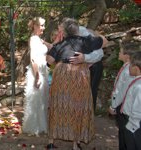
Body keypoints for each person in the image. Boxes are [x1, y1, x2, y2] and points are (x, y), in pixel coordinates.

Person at [46, 18, 108, 150]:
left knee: (58, 104)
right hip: (79, 76)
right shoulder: (86, 41)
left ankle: (51, 142)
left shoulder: (60, 44)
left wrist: (56, 44)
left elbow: (49, 61)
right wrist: (97, 34)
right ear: (77, 29)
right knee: (77, 106)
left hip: (61, 76)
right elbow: (105, 41)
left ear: (65, 32)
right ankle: (75, 144)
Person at [108, 42, 139, 150]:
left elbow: (121, 91)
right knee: (123, 134)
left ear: (127, 56)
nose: (118, 54)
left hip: (124, 107)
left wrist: (113, 105)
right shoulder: (126, 68)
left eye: (120, 52)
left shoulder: (128, 71)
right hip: (124, 105)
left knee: (125, 136)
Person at [22, 17, 49, 136]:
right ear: (35, 26)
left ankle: (41, 125)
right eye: (42, 25)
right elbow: (33, 58)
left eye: (44, 25)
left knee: (41, 100)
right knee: (35, 100)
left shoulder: (39, 39)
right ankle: (33, 127)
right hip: (36, 73)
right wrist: (37, 76)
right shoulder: (33, 39)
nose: (43, 27)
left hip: (43, 72)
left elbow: (52, 47)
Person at [70, 26, 104, 111]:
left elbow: (99, 54)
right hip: (82, 67)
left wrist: (84, 58)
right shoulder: (68, 36)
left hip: (95, 66)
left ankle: (90, 113)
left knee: (91, 90)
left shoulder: (86, 34)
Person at [121, 51, 141, 150]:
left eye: (130, 65)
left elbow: (137, 111)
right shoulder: (136, 82)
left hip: (134, 127)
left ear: (136, 68)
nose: (128, 67)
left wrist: (131, 127)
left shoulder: (139, 87)